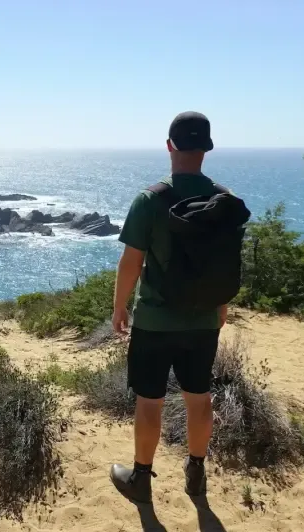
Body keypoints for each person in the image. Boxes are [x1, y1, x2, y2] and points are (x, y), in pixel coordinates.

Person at [110, 112, 250, 504]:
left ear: (169, 145)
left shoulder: (150, 199)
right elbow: (223, 261)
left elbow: (131, 263)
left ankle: (141, 479)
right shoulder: (225, 200)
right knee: (199, 397)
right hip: (204, 319)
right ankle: (196, 472)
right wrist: (221, 304)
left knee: (150, 401)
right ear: (207, 147)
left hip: (155, 320)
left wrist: (120, 307)